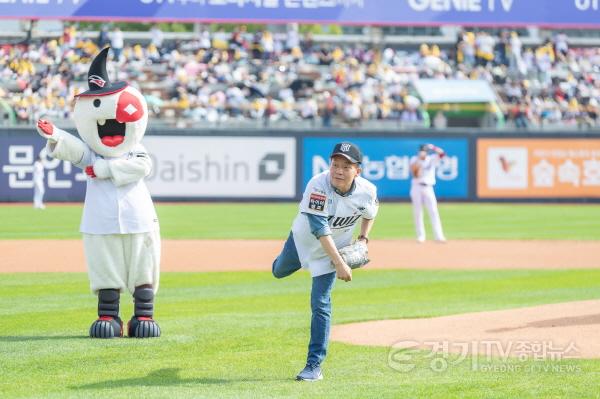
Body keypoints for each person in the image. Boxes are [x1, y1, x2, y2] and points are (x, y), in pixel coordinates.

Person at [272, 142, 378, 381]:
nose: (338, 170)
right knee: (278, 271)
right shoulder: (317, 185)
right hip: (302, 242)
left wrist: (363, 239)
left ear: (357, 171)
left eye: (346, 166)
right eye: (335, 164)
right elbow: (320, 229)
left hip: (333, 250)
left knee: (320, 303)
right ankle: (285, 262)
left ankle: (313, 366)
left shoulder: (367, 190)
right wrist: (341, 264)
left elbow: (370, 214)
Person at [409, 144, 446, 243]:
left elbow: (442, 154)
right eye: (421, 150)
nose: (422, 152)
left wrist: (433, 147)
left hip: (428, 187)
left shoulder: (432, 158)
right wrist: (419, 160)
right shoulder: (414, 159)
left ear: (427, 152)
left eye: (424, 151)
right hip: (417, 187)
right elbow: (415, 173)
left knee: (433, 211)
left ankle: (439, 236)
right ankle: (421, 236)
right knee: (418, 212)